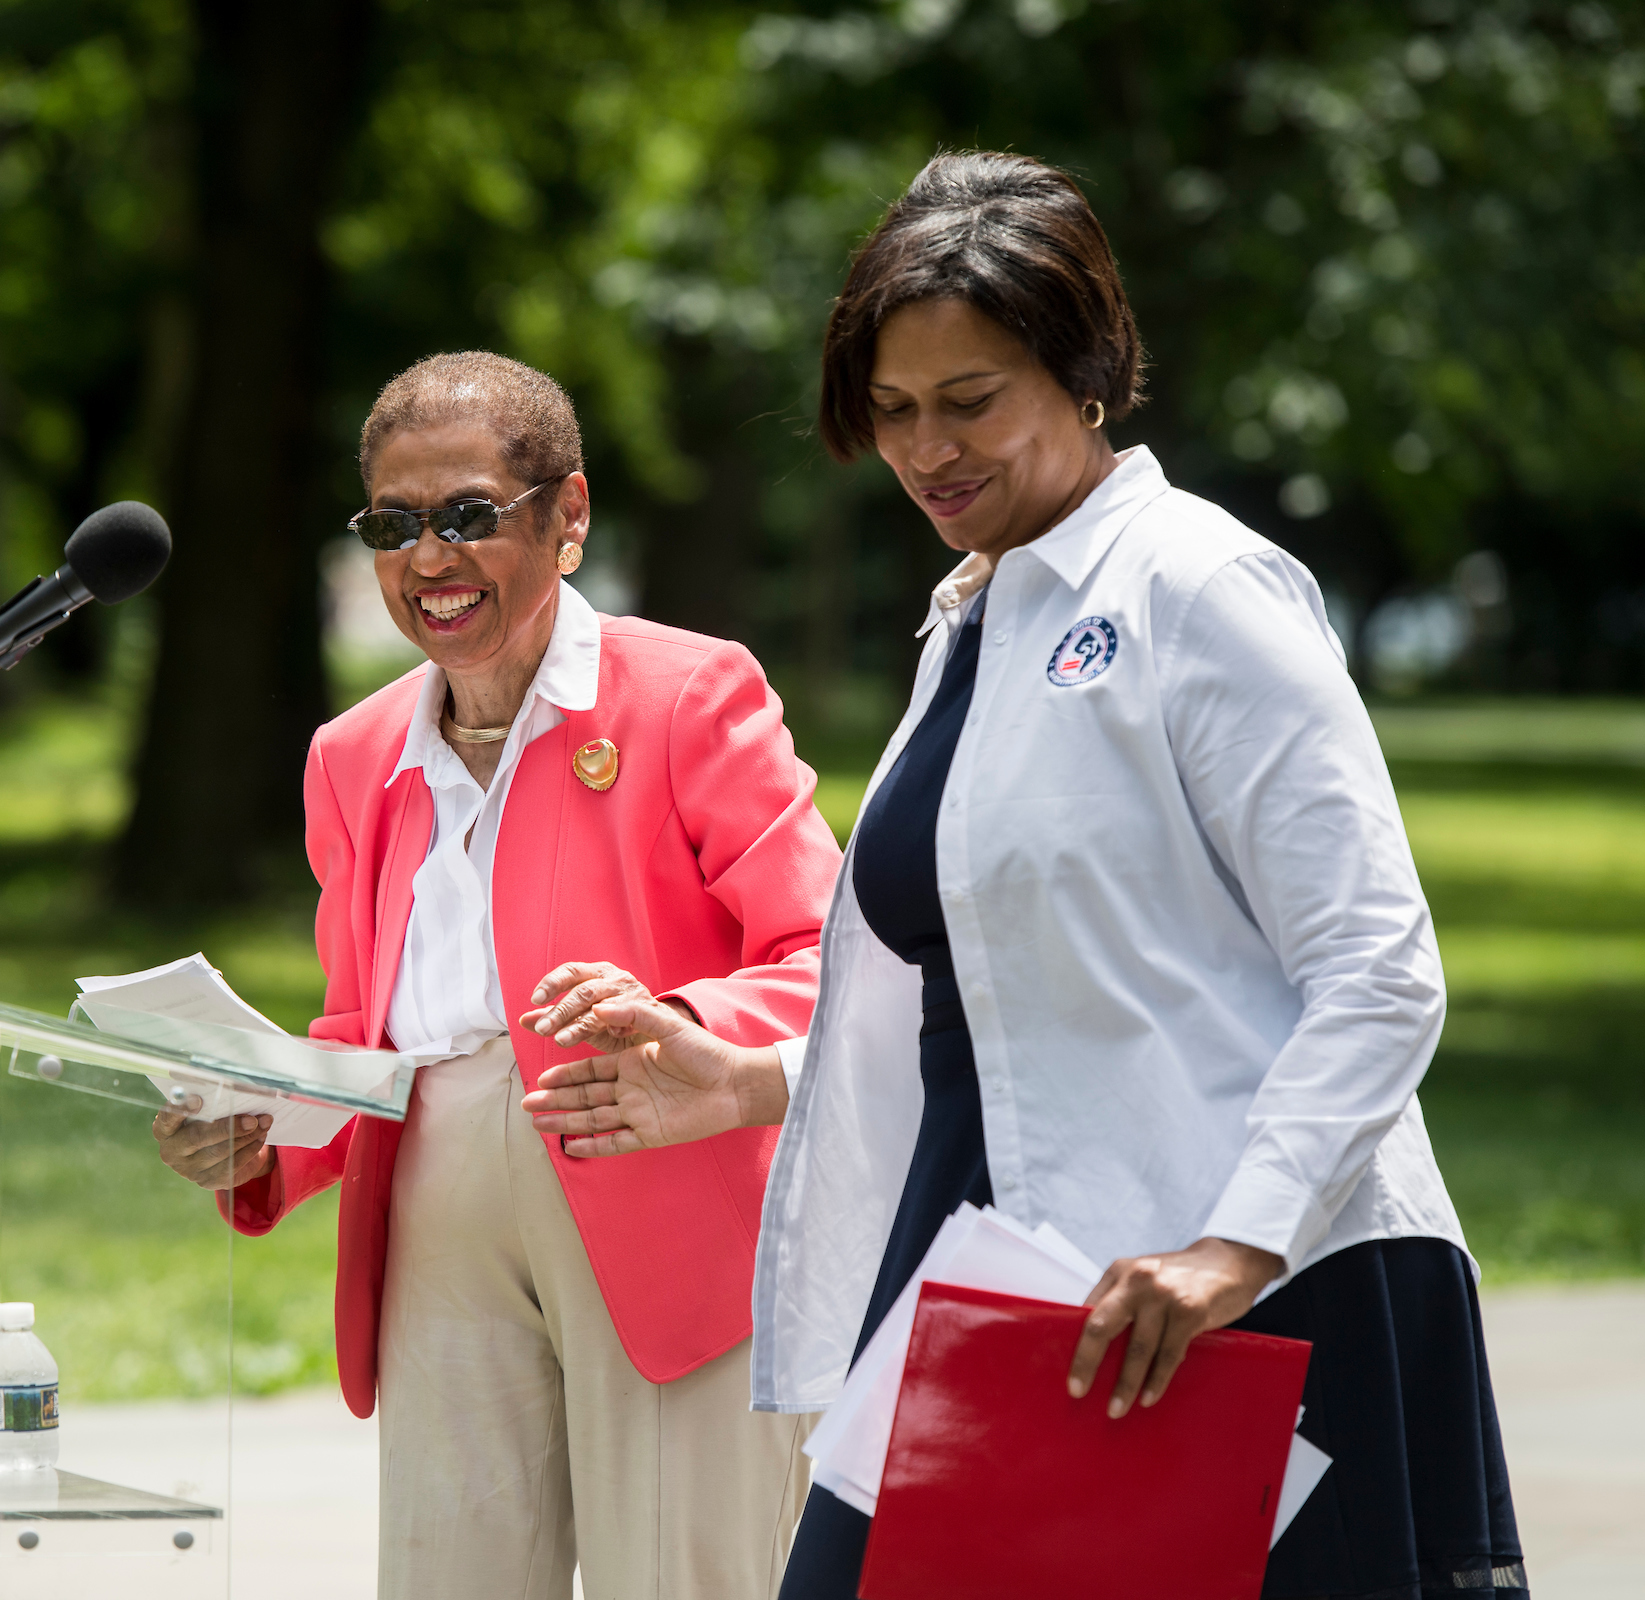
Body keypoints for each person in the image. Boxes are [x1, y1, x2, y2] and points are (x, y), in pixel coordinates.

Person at [525, 153, 1529, 1599]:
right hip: (1008, 1277)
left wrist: (1232, 1248)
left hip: (1239, 1289)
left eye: (969, 401)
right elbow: (1018, 1002)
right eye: (889, 413)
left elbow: (1378, 967)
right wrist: (745, 1078)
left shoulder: (1197, 588)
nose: (926, 451)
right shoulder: (971, 617)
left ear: (1088, 372)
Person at [148, 351, 843, 1600]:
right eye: (394, 525)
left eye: (470, 515)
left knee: (683, 1578)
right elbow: (367, 1026)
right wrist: (264, 1135)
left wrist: (677, 1024)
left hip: (662, 1181)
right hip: (434, 1209)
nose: (430, 559)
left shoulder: (694, 692)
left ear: (567, 516)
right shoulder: (351, 754)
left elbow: (827, 957)